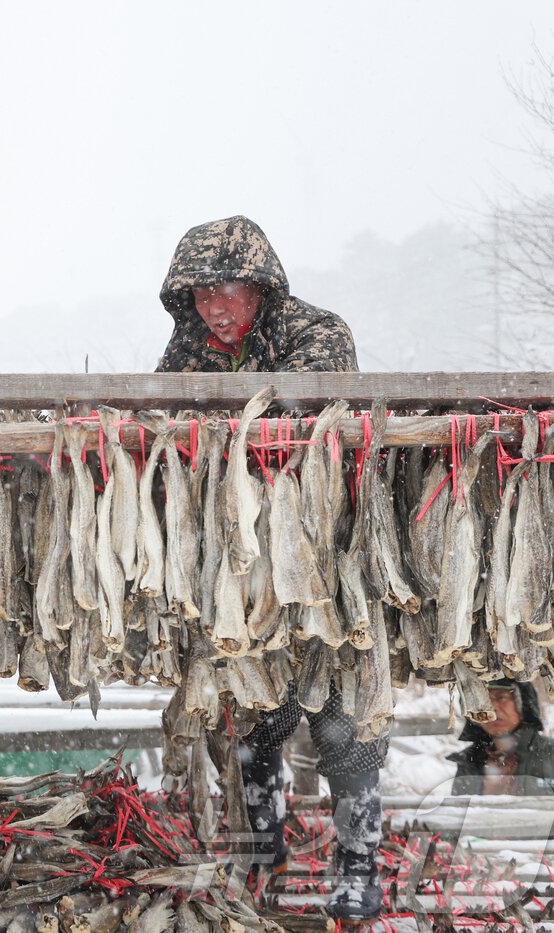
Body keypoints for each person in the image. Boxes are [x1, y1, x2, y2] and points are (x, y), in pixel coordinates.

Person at [154, 216, 381, 922]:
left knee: (342, 717)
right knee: (254, 714)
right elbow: (161, 411)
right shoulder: (187, 349)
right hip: (238, 558)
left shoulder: (318, 331)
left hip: (320, 547)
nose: (214, 309)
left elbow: (306, 412)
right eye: (200, 295)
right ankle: (261, 853)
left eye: (226, 291)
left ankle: (359, 864)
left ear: (260, 286)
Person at [450, 679, 554, 797]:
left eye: (501, 697)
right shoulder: (468, 762)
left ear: (523, 703)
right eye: (482, 699)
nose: (492, 707)